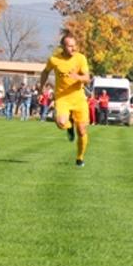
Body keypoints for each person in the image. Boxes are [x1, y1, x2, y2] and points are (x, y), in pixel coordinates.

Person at [39, 33, 91, 167]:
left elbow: (87, 78)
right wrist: (41, 88)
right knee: (61, 123)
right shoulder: (54, 59)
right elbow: (45, 72)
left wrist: (77, 77)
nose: (73, 48)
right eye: (70, 46)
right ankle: (69, 127)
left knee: (82, 131)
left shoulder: (81, 58)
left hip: (79, 99)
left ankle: (80, 158)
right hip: (62, 98)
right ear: (62, 46)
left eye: (74, 46)